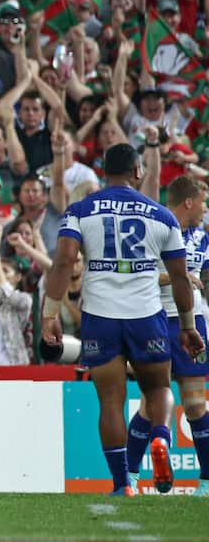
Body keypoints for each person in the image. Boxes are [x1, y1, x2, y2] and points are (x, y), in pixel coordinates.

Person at [42, 144, 204, 497]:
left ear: (103, 172)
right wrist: (188, 326)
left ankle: (121, 484)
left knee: (111, 401)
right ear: (137, 172)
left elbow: (65, 261)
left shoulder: (80, 210)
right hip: (146, 315)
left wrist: (50, 314)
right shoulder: (162, 215)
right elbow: (180, 277)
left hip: (100, 315)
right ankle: (161, 438)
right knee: (159, 388)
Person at [122, 175, 209, 496]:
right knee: (149, 402)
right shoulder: (153, 228)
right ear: (188, 202)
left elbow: (202, 278)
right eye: (203, 202)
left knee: (197, 404)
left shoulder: (203, 238)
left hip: (193, 322)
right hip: (156, 320)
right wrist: (175, 277)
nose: (205, 208)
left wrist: (191, 280)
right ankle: (129, 478)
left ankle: (206, 482)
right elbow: (138, 273)